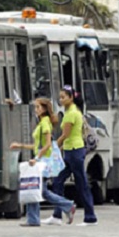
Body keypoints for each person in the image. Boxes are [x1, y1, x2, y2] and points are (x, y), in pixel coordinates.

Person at [10, 97, 76, 227]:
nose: (36, 110)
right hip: (41, 160)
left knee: (39, 189)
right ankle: (34, 218)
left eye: (38, 107)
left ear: (45, 109)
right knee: (38, 189)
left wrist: (37, 158)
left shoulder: (45, 124)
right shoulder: (42, 123)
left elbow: (47, 145)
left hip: (43, 162)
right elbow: (36, 145)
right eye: (35, 107)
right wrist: (20, 145)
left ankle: (67, 206)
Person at [42, 85, 98, 226]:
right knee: (58, 181)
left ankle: (90, 217)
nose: (61, 100)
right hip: (70, 152)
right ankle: (57, 215)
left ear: (71, 97)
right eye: (60, 97)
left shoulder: (71, 113)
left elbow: (65, 135)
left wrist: (54, 147)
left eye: (63, 97)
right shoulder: (72, 111)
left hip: (74, 151)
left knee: (81, 184)